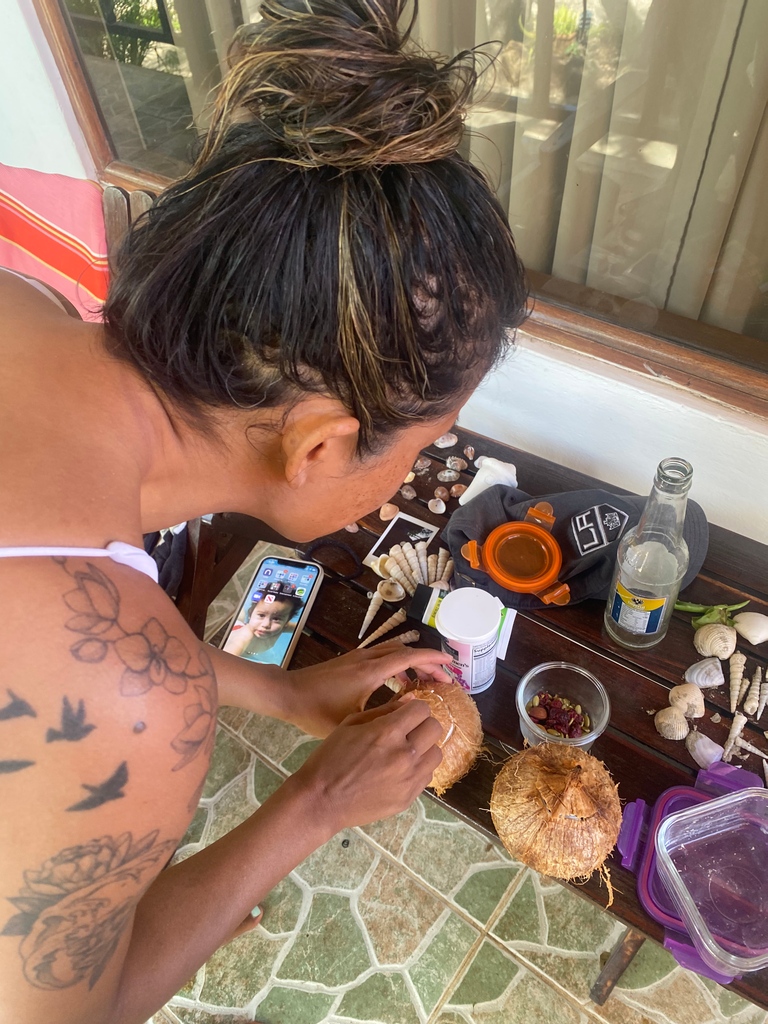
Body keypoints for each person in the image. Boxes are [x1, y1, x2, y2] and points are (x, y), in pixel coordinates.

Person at [0, 1, 527, 1021]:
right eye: (422, 448)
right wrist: (316, 801)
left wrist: (276, 691)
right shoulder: (127, 697)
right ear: (320, 444)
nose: (413, 474)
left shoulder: (23, 308)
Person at [223, 588, 303, 662]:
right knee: (238, 617)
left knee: (241, 619)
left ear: (286, 622)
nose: (266, 624)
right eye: (261, 615)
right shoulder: (245, 636)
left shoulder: (283, 627)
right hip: (236, 629)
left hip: (245, 626)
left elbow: (300, 627)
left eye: (276, 619)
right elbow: (226, 658)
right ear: (251, 613)